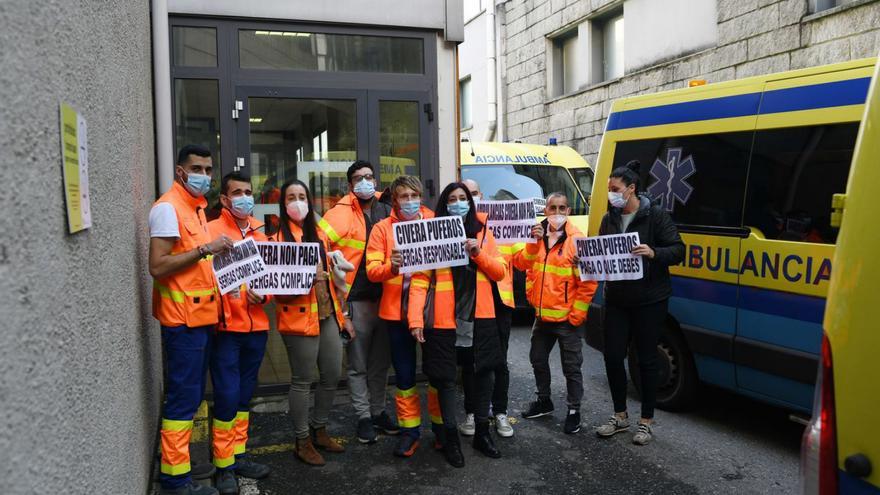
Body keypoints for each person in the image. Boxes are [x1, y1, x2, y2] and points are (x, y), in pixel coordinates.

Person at [149, 144, 232, 495]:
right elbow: (158, 266)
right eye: (197, 168)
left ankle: (179, 464)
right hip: (181, 323)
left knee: (192, 395)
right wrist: (204, 250)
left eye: (209, 169)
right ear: (181, 171)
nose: (204, 176)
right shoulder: (169, 208)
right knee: (183, 400)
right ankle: (175, 481)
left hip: (198, 319)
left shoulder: (194, 208)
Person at [408, 181, 507, 466]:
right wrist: (415, 319)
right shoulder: (432, 234)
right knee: (446, 379)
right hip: (443, 321)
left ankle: (482, 433)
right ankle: (451, 438)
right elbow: (419, 280)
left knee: (483, 373)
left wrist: (479, 253)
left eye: (463, 198)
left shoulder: (483, 231)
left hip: (481, 319)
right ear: (444, 204)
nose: (458, 203)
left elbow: (499, 272)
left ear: (471, 202)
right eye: (452, 199)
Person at [595, 161, 684, 446]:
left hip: (649, 300)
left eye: (615, 189)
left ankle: (646, 421)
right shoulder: (609, 218)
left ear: (631, 189)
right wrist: (585, 260)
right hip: (617, 299)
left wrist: (653, 252)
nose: (611, 194)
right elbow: (601, 253)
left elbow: (678, 249)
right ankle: (620, 415)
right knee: (612, 356)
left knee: (646, 360)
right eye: (610, 189)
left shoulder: (655, 215)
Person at [272, 180, 355, 466]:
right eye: (291, 197)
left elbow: (330, 276)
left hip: (327, 313)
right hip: (298, 319)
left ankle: (319, 430)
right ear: (283, 205)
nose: (298, 202)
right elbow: (275, 285)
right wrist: (306, 277)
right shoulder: (278, 240)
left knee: (332, 374)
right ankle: (302, 440)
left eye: (302, 197)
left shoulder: (318, 233)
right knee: (302, 380)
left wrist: (332, 262)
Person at [318, 160, 399, 444]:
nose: (365, 181)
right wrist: (341, 310)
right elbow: (317, 250)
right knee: (358, 364)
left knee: (380, 364)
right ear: (350, 184)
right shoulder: (337, 213)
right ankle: (364, 416)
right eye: (358, 178)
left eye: (369, 176)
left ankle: (378, 412)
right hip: (356, 301)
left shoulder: (388, 208)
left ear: (375, 180)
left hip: (387, 299)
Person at [205, 173, 272, 494]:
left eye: (248, 192)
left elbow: (273, 279)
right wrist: (240, 293)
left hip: (257, 328)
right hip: (226, 329)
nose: (244, 198)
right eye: (237, 193)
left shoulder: (262, 233)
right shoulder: (211, 232)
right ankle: (224, 465)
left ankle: (238, 454)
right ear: (225, 199)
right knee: (228, 395)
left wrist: (265, 294)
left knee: (245, 396)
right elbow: (204, 282)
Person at [513, 192, 597, 434]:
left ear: (568, 211)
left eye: (562, 207)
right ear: (545, 210)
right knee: (537, 359)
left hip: (567, 320)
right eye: (553, 207)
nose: (557, 212)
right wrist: (532, 242)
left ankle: (574, 411)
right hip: (542, 317)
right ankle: (544, 401)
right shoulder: (536, 234)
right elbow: (522, 264)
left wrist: (577, 314)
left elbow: (589, 282)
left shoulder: (578, 240)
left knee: (571, 367)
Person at [365, 176, 436, 458]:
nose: (409, 200)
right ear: (394, 200)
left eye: (414, 195)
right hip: (396, 315)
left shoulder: (434, 222)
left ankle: (442, 430)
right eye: (403, 196)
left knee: (437, 375)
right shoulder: (382, 229)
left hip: (430, 313)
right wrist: (390, 267)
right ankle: (410, 432)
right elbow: (372, 271)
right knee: (404, 375)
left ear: (421, 196)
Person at [457, 179, 519, 439]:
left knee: (498, 362)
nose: (466, 200)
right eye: (462, 196)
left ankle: (500, 412)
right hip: (471, 305)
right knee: (471, 362)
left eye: (472, 194)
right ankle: (473, 412)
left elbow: (519, 260)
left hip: (500, 302)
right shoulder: (451, 226)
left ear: (480, 195)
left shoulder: (494, 225)